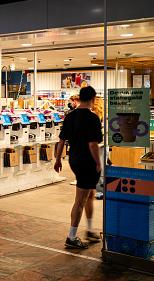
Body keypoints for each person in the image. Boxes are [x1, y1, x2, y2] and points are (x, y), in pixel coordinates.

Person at [54, 86, 102, 249]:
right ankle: (71, 237)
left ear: (79, 98)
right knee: (80, 200)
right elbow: (93, 145)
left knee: (90, 194)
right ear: (93, 99)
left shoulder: (70, 116)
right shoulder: (93, 118)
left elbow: (61, 140)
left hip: (74, 160)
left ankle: (89, 230)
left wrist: (58, 160)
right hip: (86, 162)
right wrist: (98, 162)